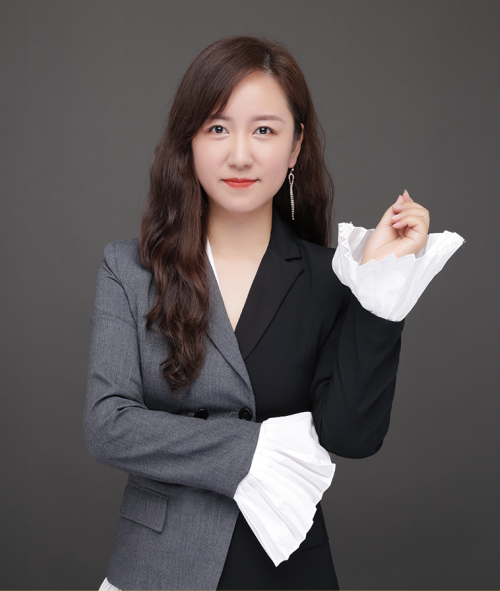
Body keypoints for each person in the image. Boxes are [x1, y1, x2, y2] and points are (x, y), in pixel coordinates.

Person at [84, 35, 464, 591]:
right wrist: (252, 450)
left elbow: (351, 436)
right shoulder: (128, 268)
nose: (240, 154)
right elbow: (108, 425)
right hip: (160, 569)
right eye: (217, 128)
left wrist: (382, 289)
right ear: (189, 141)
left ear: (295, 146)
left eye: (264, 130)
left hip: (288, 569)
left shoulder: (331, 276)